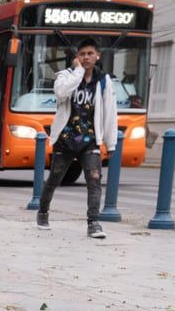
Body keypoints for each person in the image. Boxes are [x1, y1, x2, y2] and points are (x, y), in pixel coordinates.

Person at [35, 37, 118, 239]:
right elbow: (61, 93)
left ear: (97, 56)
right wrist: (78, 72)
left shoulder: (103, 80)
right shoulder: (65, 76)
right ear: (77, 58)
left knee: (94, 180)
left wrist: (111, 142)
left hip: (90, 140)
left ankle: (93, 223)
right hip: (65, 138)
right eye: (82, 54)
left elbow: (110, 112)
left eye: (90, 53)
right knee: (55, 179)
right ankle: (43, 212)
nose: (87, 57)